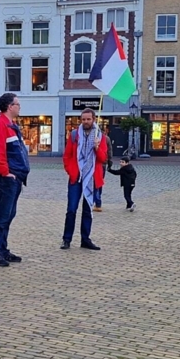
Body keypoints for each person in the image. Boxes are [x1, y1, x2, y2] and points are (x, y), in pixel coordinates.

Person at [0, 93, 30, 267]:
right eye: (17, 104)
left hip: (14, 177)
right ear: (10, 107)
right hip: (6, 179)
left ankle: (2, 250)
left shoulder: (10, 124)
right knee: (2, 216)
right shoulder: (0, 124)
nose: (19, 107)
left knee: (8, 214)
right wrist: (5, 173)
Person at [61, 107, 108, 251]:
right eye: (83, 119)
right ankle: (66, 239)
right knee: (71, 209)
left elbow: (103, 158)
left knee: (88, 210)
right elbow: (67, 156)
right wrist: (71, 171)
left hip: (92, 178)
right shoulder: (75, 135)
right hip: (76, 178)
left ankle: (85, 239)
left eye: (88, 119)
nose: (86, 121)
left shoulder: (101, 137)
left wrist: (97, 147)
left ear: (94, 119)